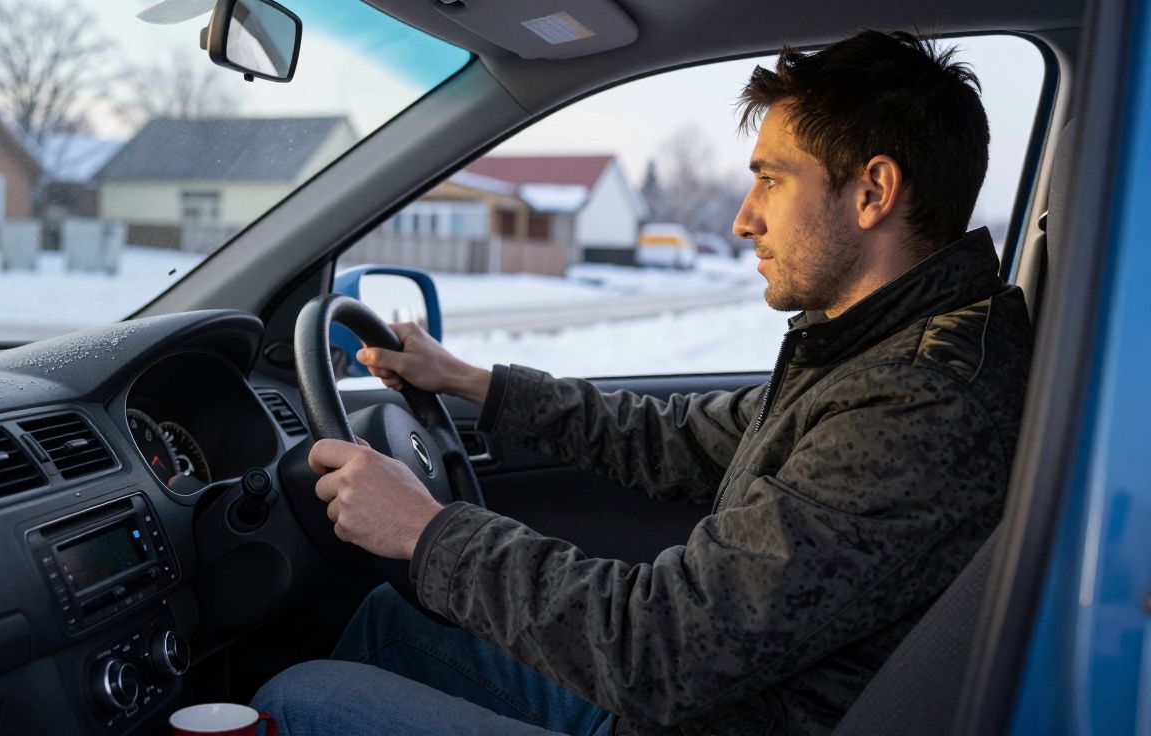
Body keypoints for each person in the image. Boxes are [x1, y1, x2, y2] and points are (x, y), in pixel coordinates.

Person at [251, 30, 1033, 736]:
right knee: (393, 617)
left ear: (872, 192)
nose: (743, 218)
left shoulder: (915, 404)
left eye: (771, 179)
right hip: (714, 705)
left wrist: (425, 531)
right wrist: (471, 382)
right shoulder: (873, 353)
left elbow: (660, 648)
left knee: (298, 697)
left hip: (696, 712)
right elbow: (681, 436)